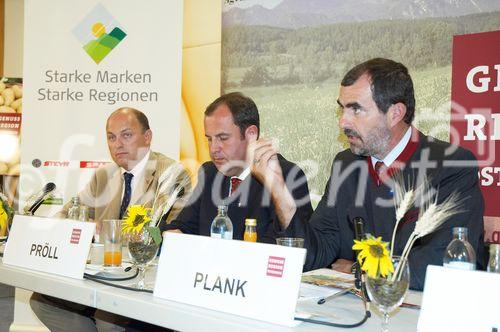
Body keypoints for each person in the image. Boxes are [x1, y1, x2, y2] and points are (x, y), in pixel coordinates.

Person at [251, 58, 485, 290]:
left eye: (356, 109)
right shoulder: (346, 164)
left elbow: (440, 265)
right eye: (342, 108)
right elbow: (316, 254)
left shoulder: (452, 165)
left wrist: (357, 269)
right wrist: (279, 191)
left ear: (395, 113)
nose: (343, 121)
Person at [31, 107, 190, 331]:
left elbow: (156, 232)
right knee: (42, 302)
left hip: (138, 280)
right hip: (100, 275)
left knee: (107, 318)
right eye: (111, 137)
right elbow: (66, 214)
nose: (117, 144)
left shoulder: (170, 173)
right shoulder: (103, 175)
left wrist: (101, 231)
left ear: (147, 137)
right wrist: (80, 224)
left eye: (126, 135)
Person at [161, 92, 313, 242]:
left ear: (251, 134)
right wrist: (174, 236)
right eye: (209, 139)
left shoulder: (286, 176)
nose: (213, 148)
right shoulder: (209, 173)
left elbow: (285, 243)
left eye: (223, 138)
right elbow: (183, 227)